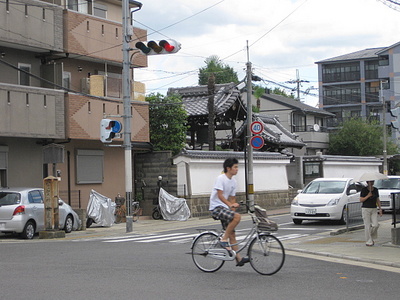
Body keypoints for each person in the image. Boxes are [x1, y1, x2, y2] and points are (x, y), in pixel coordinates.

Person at [209, 157, 249, 267]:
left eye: (237, 167)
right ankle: (224, 239)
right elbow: (220, 195)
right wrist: (230, 206)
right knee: (237, 217)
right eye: (235, 167)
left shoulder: (234, 181)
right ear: (228, 168)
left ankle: (238, 259)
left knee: (233, 233)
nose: (237, 169)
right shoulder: (221, 178)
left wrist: (232, 209)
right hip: (216, 207)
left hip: (225, 208)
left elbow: (232, 198)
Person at [360, 180, 383, 246]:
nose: (371, 183)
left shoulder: (375, 190)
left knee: (375, 225)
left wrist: (380, 209)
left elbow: (377, 199)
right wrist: (368, 196)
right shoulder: (364, 190)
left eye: (372, 181)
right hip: (365, 208)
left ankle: (370, 236)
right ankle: (369, 241)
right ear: (367, 182)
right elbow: (361, 200)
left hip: (374, 208)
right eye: (370, 181)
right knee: (367, 225)